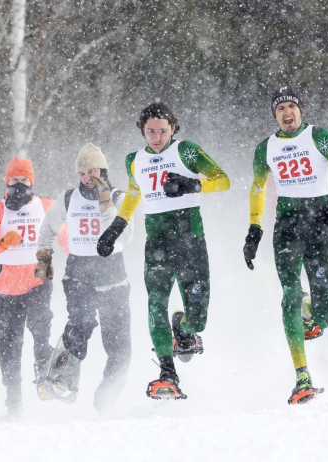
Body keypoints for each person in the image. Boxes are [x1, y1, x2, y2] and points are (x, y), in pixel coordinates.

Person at [97, 102, 230, 400]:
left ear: (173, 129)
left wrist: (190, 184)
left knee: (199, 319)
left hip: (190, 238)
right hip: (156, 241)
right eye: (150, 131)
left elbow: (223, 180)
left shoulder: (187, 152)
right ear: (142, 131)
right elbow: (134, 192)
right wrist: (115, 227)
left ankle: (184, 327)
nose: (156, 137)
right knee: (155, 301)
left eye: (162, 131)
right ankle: (167, 373)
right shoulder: (134, 160)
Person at [243, 86, 328, 405]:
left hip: (320, 225)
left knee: (323, 316)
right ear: (274, 115)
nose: (286, 112)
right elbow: (257, 189)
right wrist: (254, 230)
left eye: (291, 106)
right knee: (290, 295)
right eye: (280, 108)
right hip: (287, 227)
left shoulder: (319, 137)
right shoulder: (265, 148)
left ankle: (312, 312)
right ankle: (302, 377)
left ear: (301, 110)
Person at [36, 143, 134, 411]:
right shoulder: (68, 199)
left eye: (93, 171)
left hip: (113, 276)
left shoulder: (119, 197)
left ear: (103, 169)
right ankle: (59, 379)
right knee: (81, 325)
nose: (88, 178)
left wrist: (105, 205)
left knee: (119, 346)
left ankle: (106, 400)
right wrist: (44, 257)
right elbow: (47, 230)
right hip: (79, 274)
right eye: (82, 174)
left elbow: (126, 236)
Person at [0, 157, 67, 419]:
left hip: (38, 281)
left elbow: (64, 237)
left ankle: (46, 377)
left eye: (24, 180)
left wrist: (79, 260)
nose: (19, 185)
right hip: (6, 289)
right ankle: (13, 403)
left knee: (41, 331)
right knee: (9, 347)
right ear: (7, 182)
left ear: (32, 181)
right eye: (14, 180)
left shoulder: (45, 205)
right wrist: (4, 241)